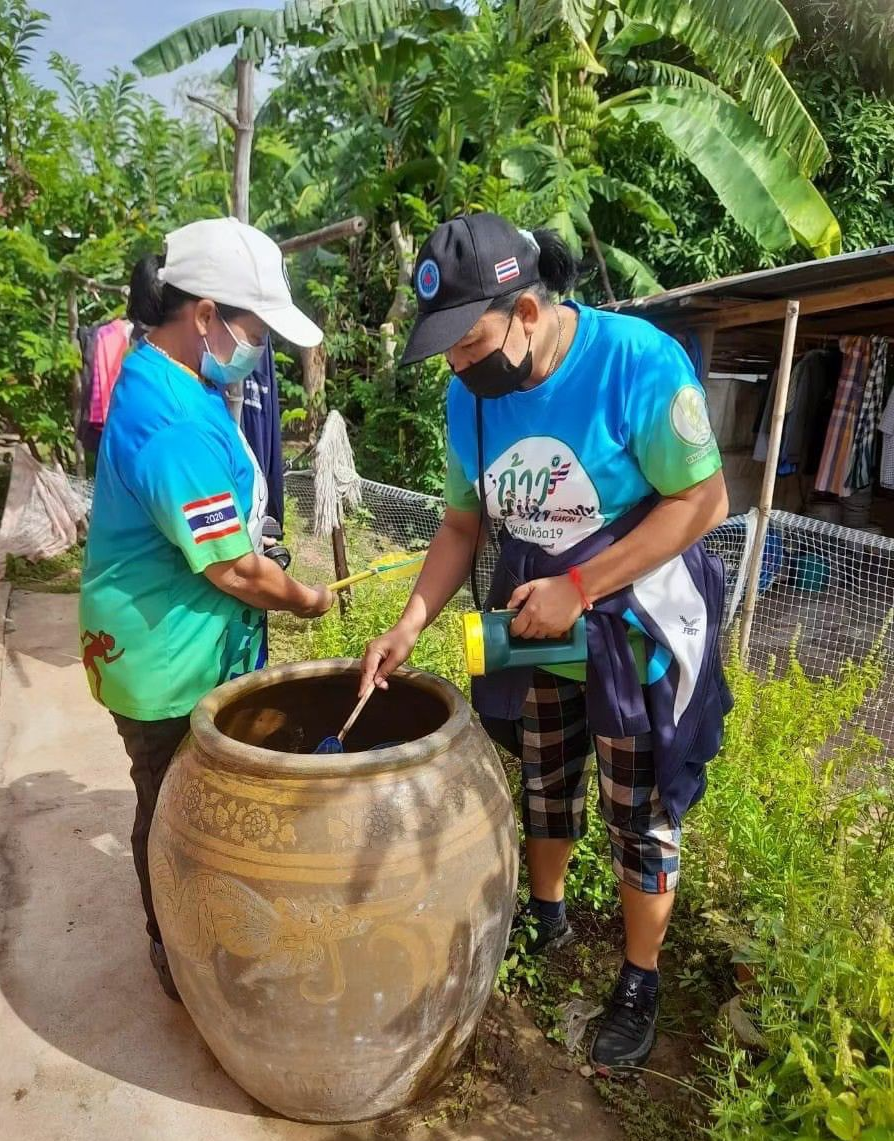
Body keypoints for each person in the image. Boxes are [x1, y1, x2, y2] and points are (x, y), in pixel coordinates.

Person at [359, 213, 730, 1071]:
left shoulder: (634, 362)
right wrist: (408, 623)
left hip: (631, 614)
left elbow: (702, 503)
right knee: (544, 770)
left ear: (527, 313)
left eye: (469, 341)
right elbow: (460, 525)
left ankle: (641, 978)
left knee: (639, 807)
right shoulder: (470, 397)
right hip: (535, 612)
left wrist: (581, 588)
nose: (458, 364)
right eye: (446, 349)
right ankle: (548, 912)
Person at [80, 217, 334, 999]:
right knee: (171, 812)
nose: (257, 345)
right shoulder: (170, 423)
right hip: (159, 663)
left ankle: (197, 929)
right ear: (205, 316)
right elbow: (232, 568)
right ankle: (176, 951)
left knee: (191, 799)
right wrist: (303, 598)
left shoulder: (177, 380)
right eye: (253, 327)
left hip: (186, 645)